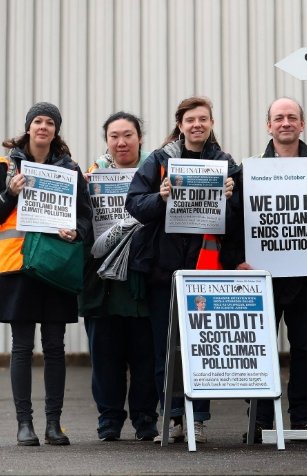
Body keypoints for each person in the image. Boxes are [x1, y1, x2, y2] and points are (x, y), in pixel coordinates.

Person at [221, 97, 307, 442]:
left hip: (306, 278)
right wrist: (234, 260)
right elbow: (234, 223)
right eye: (278, 118)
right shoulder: (248, 172)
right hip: (261, 276)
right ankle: (258, 418)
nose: (285, 123)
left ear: (302, 125)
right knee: (260, 348)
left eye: (292, 117)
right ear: (268, 126)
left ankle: (302, 417)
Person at [126, 96, 239, 444]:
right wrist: (158, 197)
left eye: (203, 119)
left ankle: (198, 419)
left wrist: (230, 198)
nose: (197, 125)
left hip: (207, 272)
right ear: (180, 124)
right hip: (164, 271)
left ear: (211, 123)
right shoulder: (159, 161)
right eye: (190, 120)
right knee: (166, 347)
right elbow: (134, 204)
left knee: (200, 347)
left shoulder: (225, 164)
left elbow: (239, 224)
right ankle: (172, 418)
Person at [0, 102, 93, 446]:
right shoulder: (4, 167)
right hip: (18, 266)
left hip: (56, 266)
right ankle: (25, 425)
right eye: (37, 121)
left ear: (56, 130)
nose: (43, 127)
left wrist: (76, 232)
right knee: (22, 347)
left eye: (49, 122)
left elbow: (86, 217)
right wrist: (10, 193)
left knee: (55, 347)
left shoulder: (69, 169)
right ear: (28, 127)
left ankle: (54, 424)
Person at [79, 112, 158, 442]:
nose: (121, 142)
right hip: (103, 285)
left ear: (140, 138)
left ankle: (145, 420)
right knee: (105, 356)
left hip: (142, 283)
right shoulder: (90, 179)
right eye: (114, 136)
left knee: (146, 356)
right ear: (106, 141)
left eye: (128, 135)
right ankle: (109, 420)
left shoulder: (156, 176)